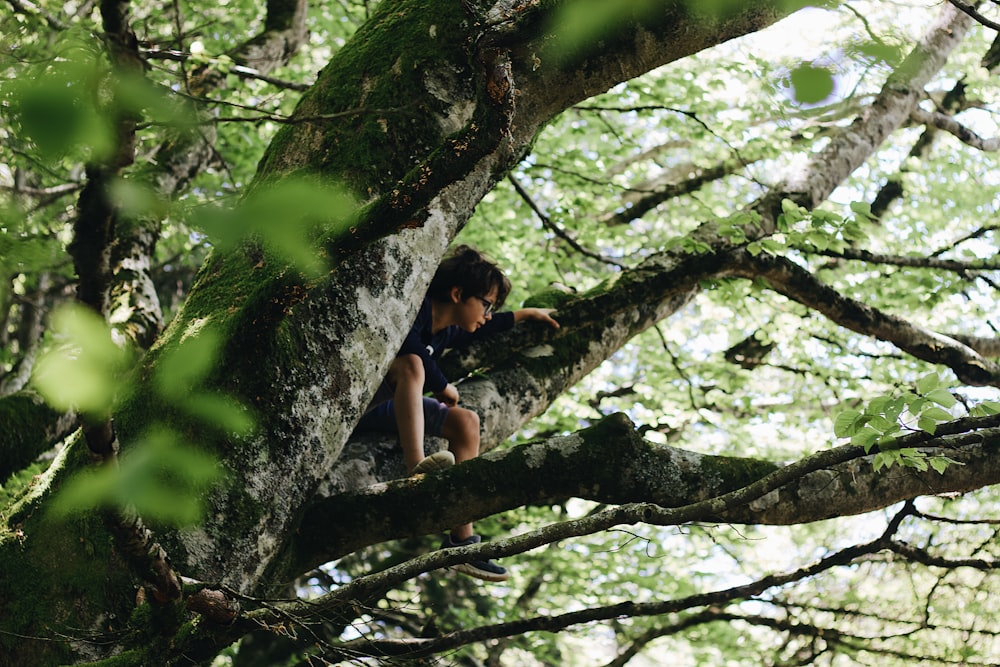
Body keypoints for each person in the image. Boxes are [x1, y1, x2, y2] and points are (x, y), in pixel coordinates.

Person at [356, 244, 559, 581]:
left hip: (385, 408)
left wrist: (527, 314)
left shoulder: (449, 331)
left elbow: (492, 326)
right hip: (359, 404)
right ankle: (415, 471)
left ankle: (463, 544)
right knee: (413, 363)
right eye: (486, 304)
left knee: (466, 421)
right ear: (457, 293)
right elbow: (408, 343)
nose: (488, 314)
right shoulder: (417, 308)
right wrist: (442, 384)